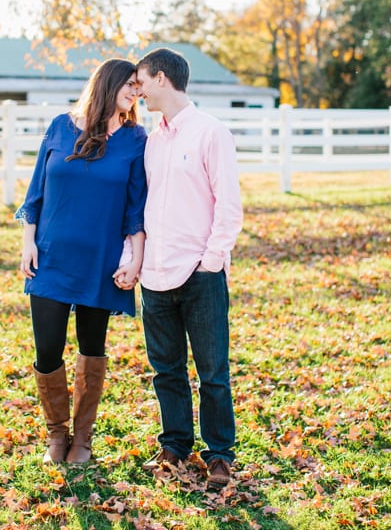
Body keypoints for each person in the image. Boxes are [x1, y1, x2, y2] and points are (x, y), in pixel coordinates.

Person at [15, 58, 146, 464]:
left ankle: (82, 440)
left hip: (101, 261)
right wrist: (28, 241)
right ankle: (57, 434)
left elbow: (135, 207)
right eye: (130, 84)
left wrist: (136, 259)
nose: (136, 92)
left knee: (92, 347)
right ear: (107, 84)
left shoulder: (135, 139)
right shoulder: (60, 127)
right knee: (48, 348)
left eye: (139, 87)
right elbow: (36, 190)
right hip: (52, 256)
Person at [133, 47, 243, 490]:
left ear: (161, 78)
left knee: (213, 372)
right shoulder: (151, 139)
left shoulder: (211, 133)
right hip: (155, 274)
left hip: (200, 273)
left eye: (140, 80)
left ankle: (219, 454)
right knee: (166, 370)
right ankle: (175, 445)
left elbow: (229, 207)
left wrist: (209, 263)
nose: (137, 90)